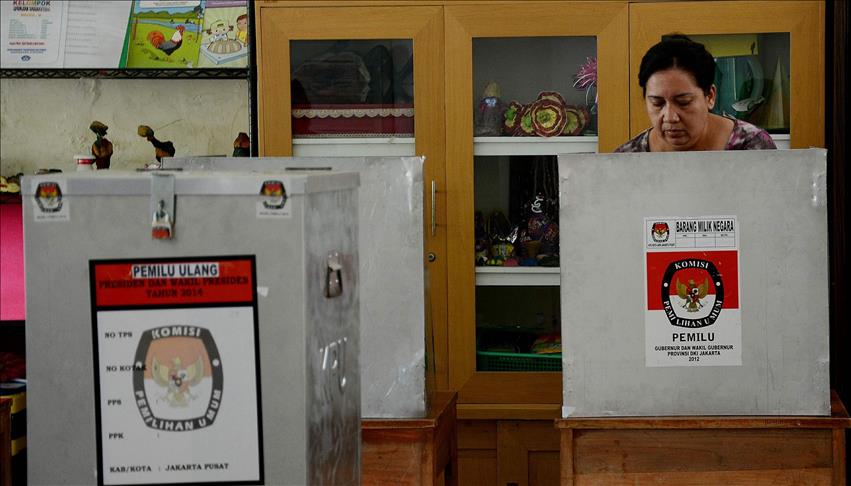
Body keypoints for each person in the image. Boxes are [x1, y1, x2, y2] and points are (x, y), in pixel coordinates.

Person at [616, 35, 775, 152]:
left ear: (710, 96)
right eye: (657, 103)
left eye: (683, 102)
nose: (670, 117)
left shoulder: (752, 146)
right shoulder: (629, 158)